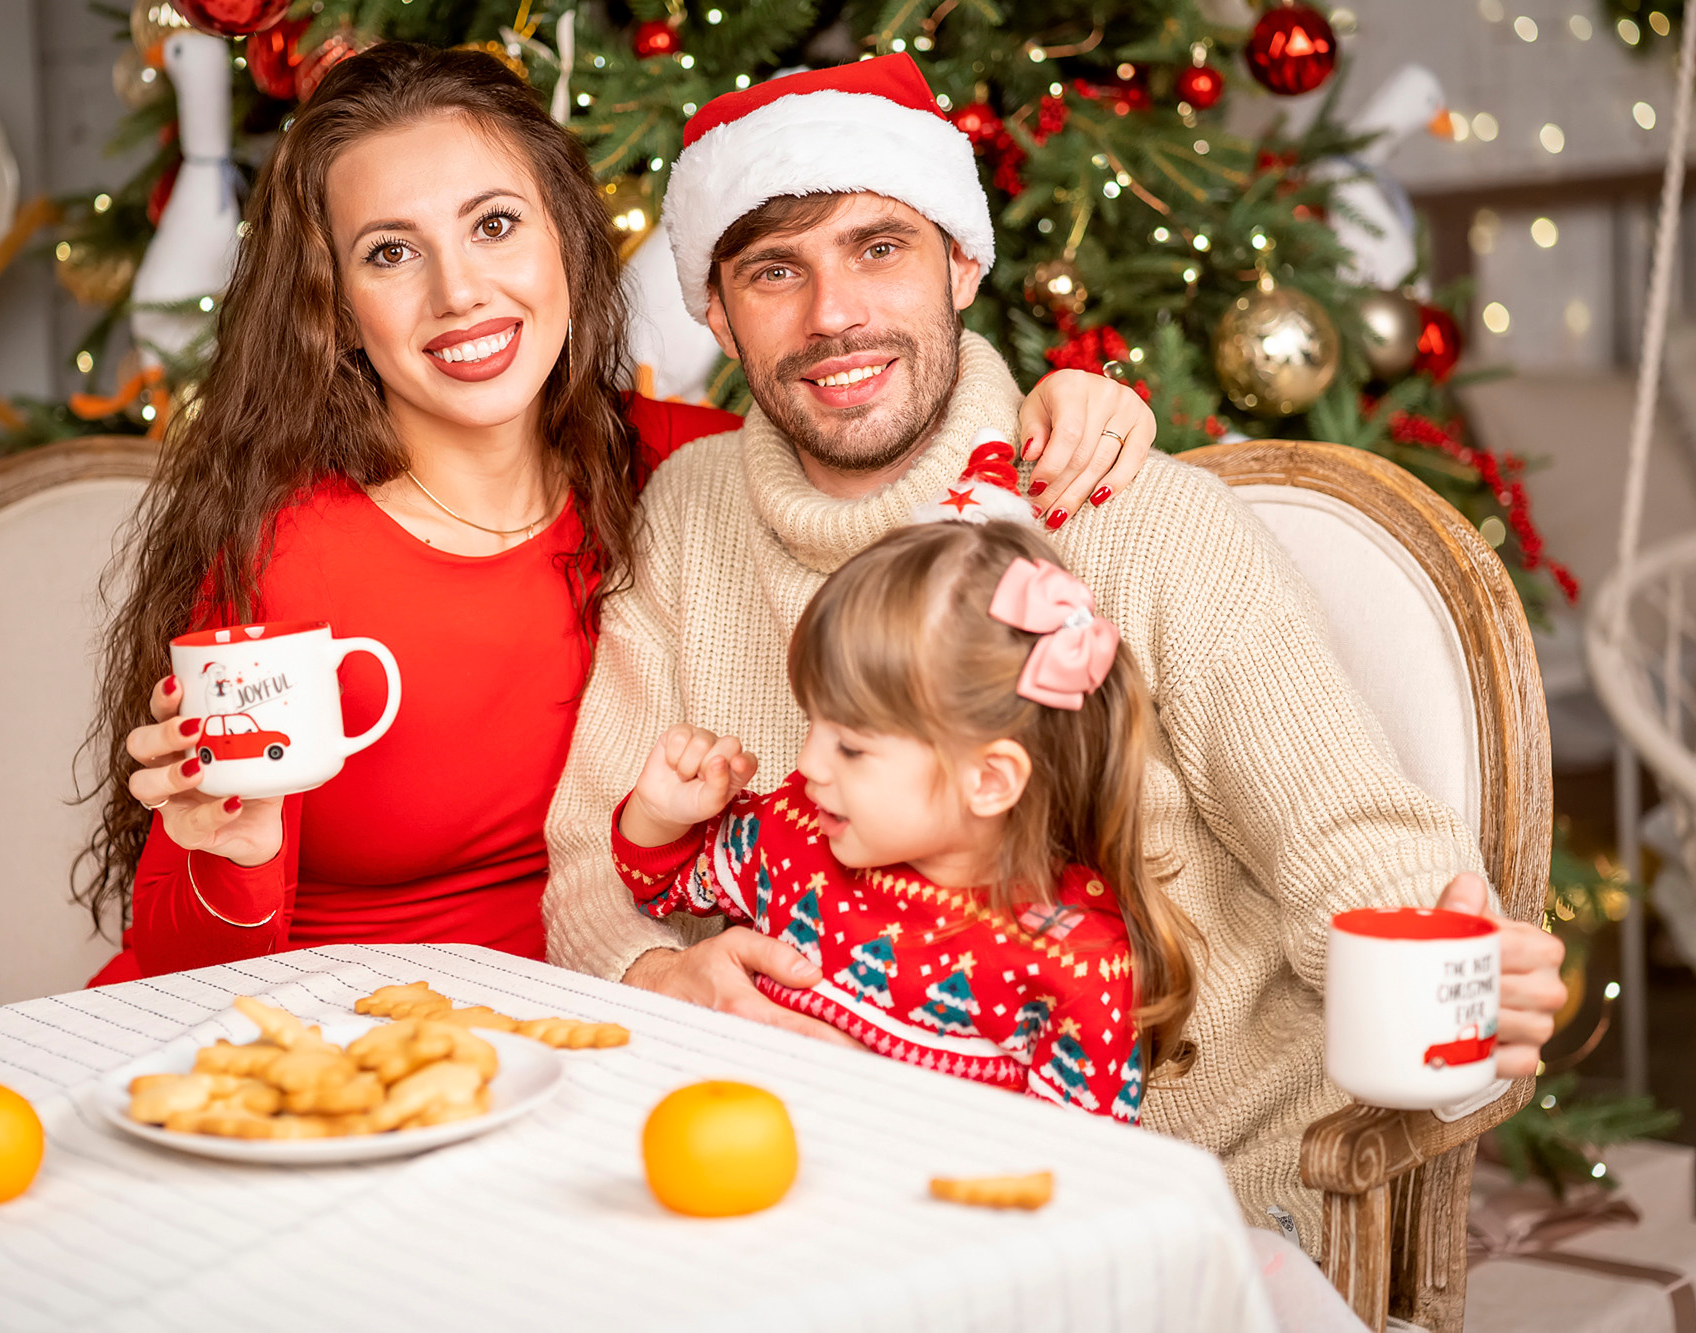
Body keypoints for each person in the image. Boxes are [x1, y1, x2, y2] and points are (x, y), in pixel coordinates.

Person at [541, 53, 1567, 1253]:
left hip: (1163, 1193)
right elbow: (588, 853)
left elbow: (1348, 837)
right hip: (803, 1182)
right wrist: (652, 978)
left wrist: (1452, 970)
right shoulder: (687, 512)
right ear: (715, 312)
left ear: (961, 265)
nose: (831, 316)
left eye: (878, 247)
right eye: (775, 270)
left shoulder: (1128, 511)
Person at [79, 44, 1145, 982]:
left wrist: (1049, 399)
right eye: (390, 252)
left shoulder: (679, 470)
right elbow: (180, 970)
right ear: (334, 307)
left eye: (494, 225)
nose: (458, 293)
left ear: (566, 245)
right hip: (320, 1042)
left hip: (584, 1045)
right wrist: (229, 847)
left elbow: (882, 449)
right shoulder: (287, 547)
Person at [611, 512, 1201, 1121]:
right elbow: (660, 884)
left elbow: (1076, 1178)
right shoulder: (796, 831)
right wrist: (660, 816)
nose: (808, 761)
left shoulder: (1079, 961)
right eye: (814, 721)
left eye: (852, 746)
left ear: (989, 781)